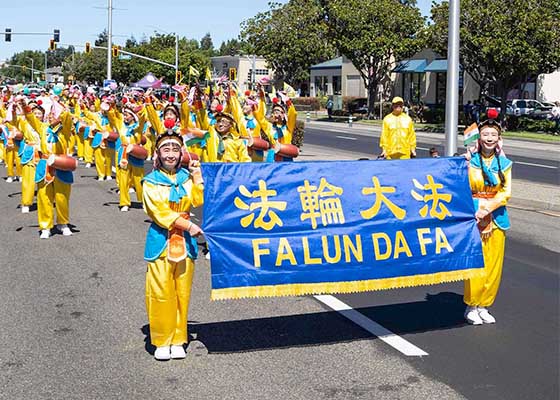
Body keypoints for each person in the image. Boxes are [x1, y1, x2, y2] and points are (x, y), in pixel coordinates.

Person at [142, 130, 204, 361]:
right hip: (161, 241)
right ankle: (161, 339)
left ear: (181, 154)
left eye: (175, 150)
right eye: (166, 149)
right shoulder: (150, 182)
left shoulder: (186, 178)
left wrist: (197, 177)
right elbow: (158, 211)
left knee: (182, 292)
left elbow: (198, 200)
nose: (171, 154)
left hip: (185, 244)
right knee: (161, 292)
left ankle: (179, 338)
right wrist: (187, 226)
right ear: (158, 153)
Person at [463, 115, 512, 325]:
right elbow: (461, 186)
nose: (489, 138)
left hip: (497, 218)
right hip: (474, 217)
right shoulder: (470, 162)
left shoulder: (505, 163)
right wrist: (464, 162)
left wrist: (488, 208)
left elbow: (505, 192)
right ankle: (471, 304)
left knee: (493, 264)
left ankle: (484, 305)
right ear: (479, 138)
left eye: (493, 134)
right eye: (485, 134)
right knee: (476, 262)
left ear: (499, 138)